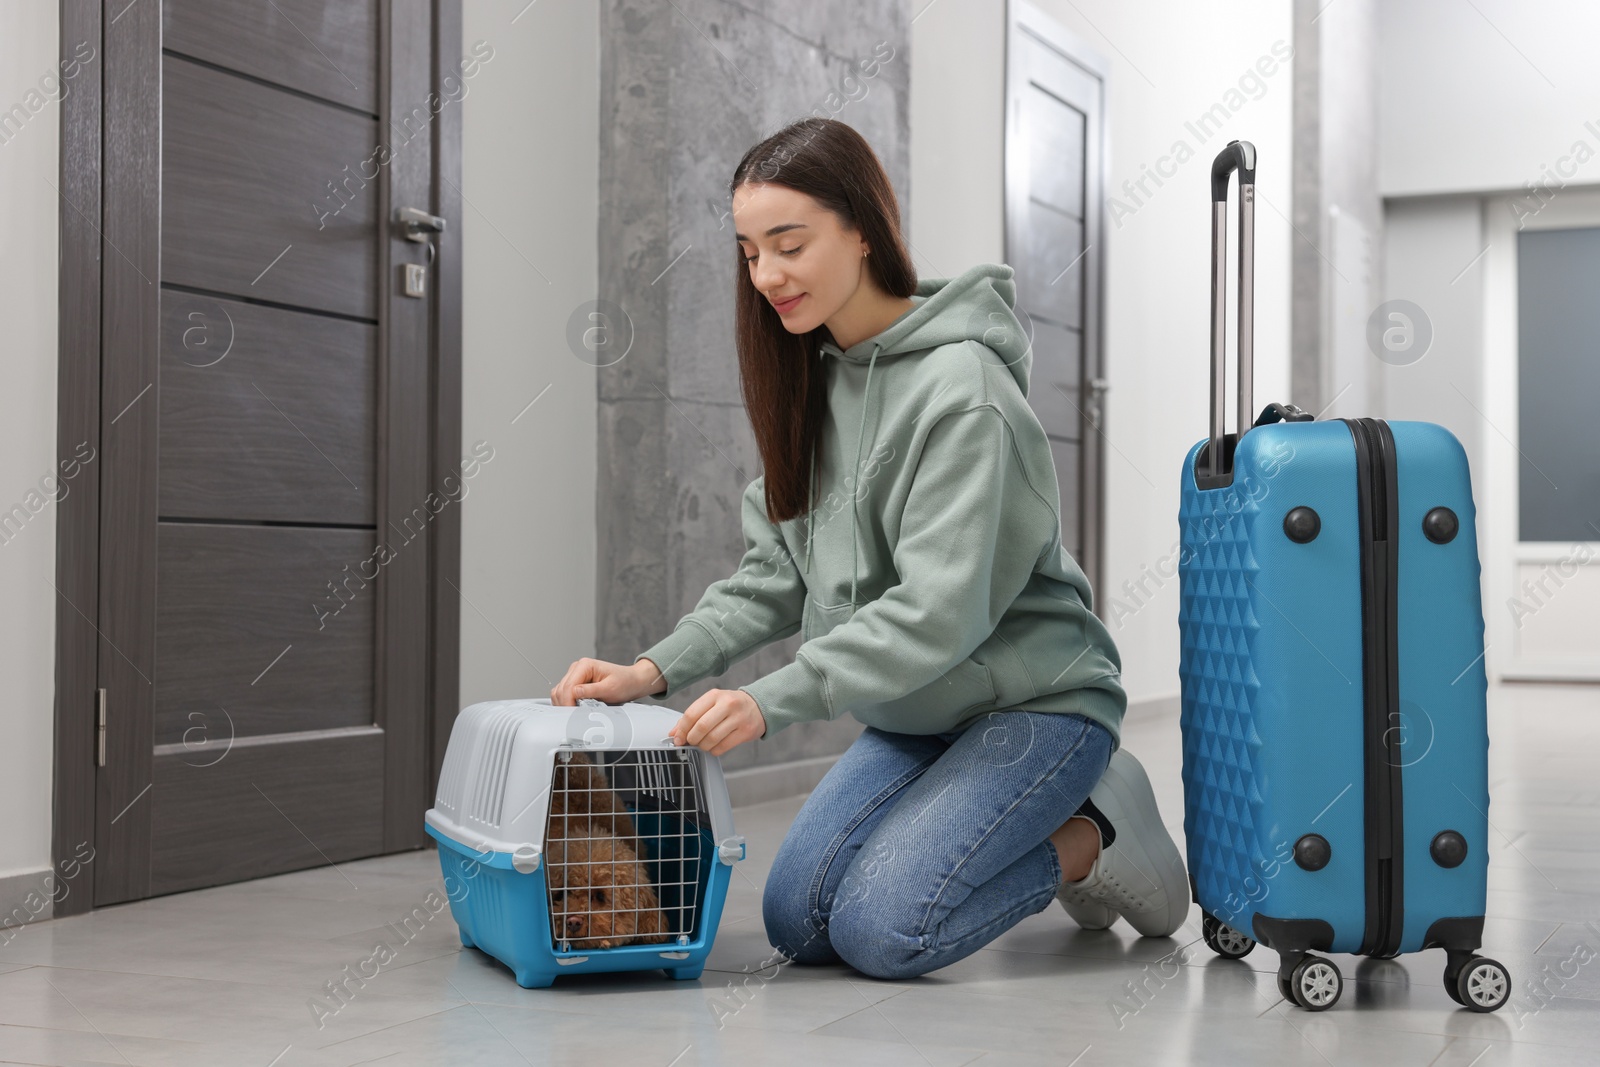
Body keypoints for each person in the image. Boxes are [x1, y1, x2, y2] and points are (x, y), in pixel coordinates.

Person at [551, 117, 1188, 981]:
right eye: (748, 252)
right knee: (797, 922)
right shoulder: (809, 381)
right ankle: (1012, 820)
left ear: (861, 231)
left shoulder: (966, 395)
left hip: (1037, 707)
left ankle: (1096, 830)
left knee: (885, 929)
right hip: (916, 713)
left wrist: (771, 698)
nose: (767, 276)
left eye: (790, 243)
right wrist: (650, 671)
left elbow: (937, 612)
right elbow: (772, 573)